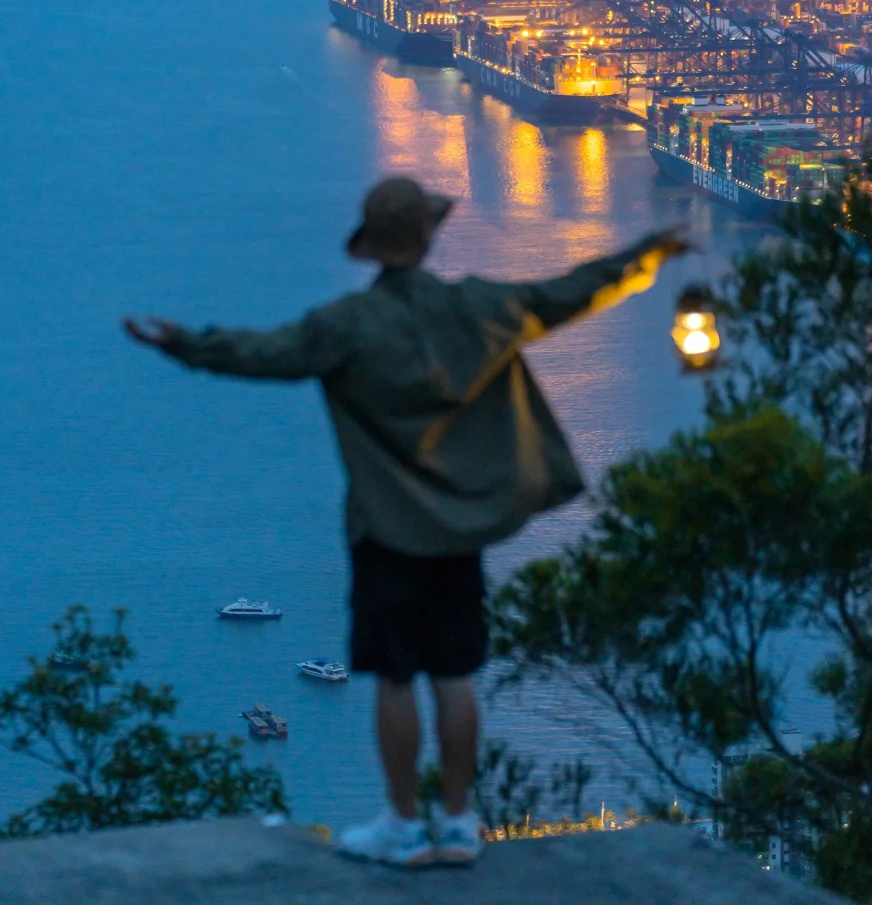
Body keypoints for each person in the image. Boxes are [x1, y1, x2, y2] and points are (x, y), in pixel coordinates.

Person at [125, 177, 686, 868]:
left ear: (370, 246)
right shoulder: (477, 308)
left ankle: (401, 819)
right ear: (429, 236)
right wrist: (647, 253)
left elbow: (264, 353)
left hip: (384, 531)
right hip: (459, 530)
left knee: (394, 678)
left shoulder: (346, 326)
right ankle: (456, 822)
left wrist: (186, 343)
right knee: (455, 675)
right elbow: (566, 291)